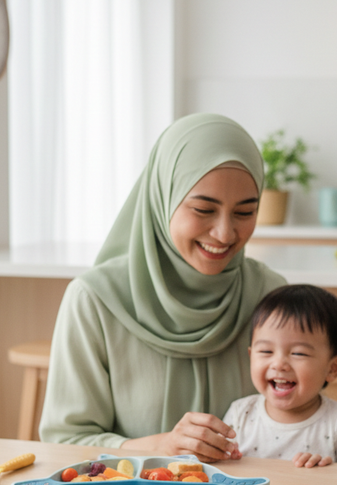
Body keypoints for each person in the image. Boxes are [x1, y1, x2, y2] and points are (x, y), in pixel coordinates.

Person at [39, 113, 286, 461]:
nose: (225, 233)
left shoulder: (271, 296)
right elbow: (64, 442)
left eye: (245, 212)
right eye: (203, 209)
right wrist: (159, 448)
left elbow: (303, 419)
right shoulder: (95, 300)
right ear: (163, 198)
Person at [222, 284, 337, 468]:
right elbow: (218, 471)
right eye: (266, 350)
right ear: (251, 356)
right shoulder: (240, 414)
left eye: (298, 353)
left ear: (333, 368)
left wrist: (331, 472)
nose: (278, 364)